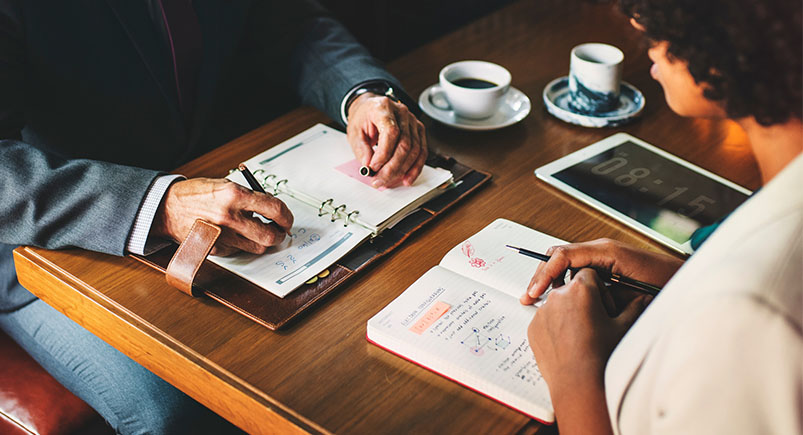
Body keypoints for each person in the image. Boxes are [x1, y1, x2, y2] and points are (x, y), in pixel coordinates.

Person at [0, 1, 427, 433]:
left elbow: (293, 25)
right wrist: (161, 205)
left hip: (216, 181)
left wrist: (361, 94)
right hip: (50, 241)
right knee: (180, 407)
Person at [520, 0, 802, 433]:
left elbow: (755, 313)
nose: (638, 22)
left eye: (663, 10)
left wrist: (573, 375)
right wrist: (680, 279)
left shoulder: (754, 313)